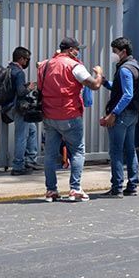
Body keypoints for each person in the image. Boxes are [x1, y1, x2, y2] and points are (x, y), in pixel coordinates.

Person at [39, 37, 103, 202]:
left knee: (50, 155)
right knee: (77, 152)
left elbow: (40, 80)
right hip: (69, 114)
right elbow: (95, 85)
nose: (78, 52)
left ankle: (51, 190)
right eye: (77, 49)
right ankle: (75, 189)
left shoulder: (45, 64)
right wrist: (99, 73)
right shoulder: (75, 66)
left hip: (49, 115)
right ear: (70, 50)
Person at [100, 37, 139, 197]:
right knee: (129, 149)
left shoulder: (125, 69)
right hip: (132, 114)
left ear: (123, 52)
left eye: (114, 51)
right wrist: (106, 83)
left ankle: (117, 187)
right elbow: (122, 88)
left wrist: (113, 113)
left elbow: (127, 94)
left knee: (116, 151)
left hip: (122, 115)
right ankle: (132, 185)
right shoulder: (135, 65)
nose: (113, 55)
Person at [6, 46, 40, 175]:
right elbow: (20, 93)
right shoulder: (19, 72)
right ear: (21, 59)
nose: (27, 62)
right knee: (21, 136)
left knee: (32, 130)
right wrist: (30, 87)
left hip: (10, 107)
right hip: (18, 108)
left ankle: (30, 160)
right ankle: (18, 166)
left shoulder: (9, 69)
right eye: (26, 59)